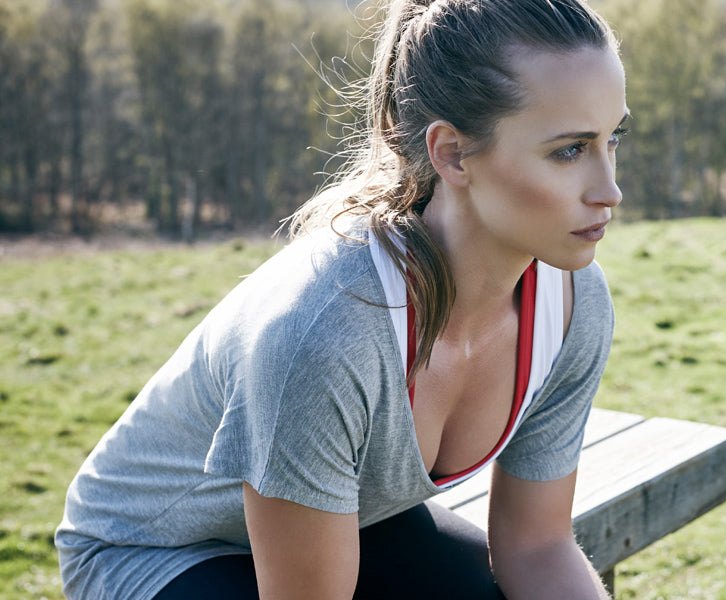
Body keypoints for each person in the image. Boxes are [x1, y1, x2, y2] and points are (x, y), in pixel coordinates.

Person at [54, 0, 628, 597]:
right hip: (154, 550)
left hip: (355, 521)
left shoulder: (572, 307)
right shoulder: (326, 332)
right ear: (452, 153)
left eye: (614, 138)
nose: (609, 190)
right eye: (569, 150)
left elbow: (537, 547)